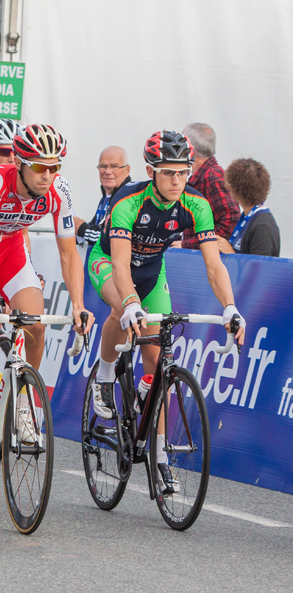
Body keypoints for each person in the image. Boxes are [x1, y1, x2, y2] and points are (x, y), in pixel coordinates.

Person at [86, 130, 245, 495]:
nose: (177, 180)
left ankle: (160, 458)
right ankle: (105, 376)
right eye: (169, 172)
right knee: (119, 307)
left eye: (183, 172)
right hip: (109, 262)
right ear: (150, 171)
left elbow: (214, 265)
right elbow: (121, 265)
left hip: (151, 272)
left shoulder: (196, 204)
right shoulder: (128, 201)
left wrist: (230, 307)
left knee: (158, 367)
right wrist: (130, 303)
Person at [0, 123, 92, 479]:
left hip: (8, 253)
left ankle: (23, 402)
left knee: (35, 325)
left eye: (55, 167)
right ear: (20, 163)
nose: (48, 175)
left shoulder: (59, 191)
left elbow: (69, 254)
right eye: (40, 167)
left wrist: (78, 304)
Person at [180, 123, 239, 251]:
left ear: (190, 149)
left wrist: (188, 244)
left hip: (206, 257)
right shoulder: (205, 176)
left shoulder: (212, 177)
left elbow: (231, 220)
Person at [76, 146, 131, 245]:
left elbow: (111, 239)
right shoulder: (107, 197)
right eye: (103, 166)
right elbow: (95, 228)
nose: (108, 172)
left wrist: (81, 228)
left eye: (114, 166)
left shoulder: (126, 200)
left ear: (127, 170)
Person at [225, 158, 280, 257]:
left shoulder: (262, 227)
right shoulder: (248, 217)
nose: (228, 187)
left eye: (230, 184)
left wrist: (230, 253)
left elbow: (259, 266)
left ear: (238, 189)